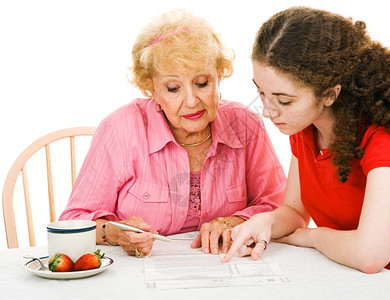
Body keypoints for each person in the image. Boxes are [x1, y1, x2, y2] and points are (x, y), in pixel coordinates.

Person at [222, 6, 390, 289]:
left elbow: (370, 255)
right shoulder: (304, 127)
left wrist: (311, 237)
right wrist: (265, 221)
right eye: (261, 93)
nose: (268, 111)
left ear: (330, 93)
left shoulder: (387, 137)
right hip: (361, 282)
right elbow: (294, 212)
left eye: (284, 100)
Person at [59, 10, 286, 258]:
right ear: (150, 87)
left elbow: (279, 206)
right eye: (173, 88)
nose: (191, 101)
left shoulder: (245, 124)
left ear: (219, 76)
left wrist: (231, 222)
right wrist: (114, 233)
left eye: (202, 83)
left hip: (225, 266)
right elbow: (74, 220)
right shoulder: (120, 128)